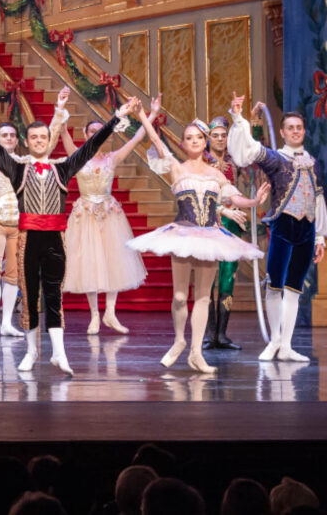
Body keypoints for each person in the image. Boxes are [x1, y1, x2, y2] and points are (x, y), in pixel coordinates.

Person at [0, 94, 136, 375]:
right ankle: (32, 351)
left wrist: (117, 117)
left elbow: (92, 145)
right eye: (33, 137)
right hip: (28, 240)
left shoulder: (63, 168)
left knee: (54, 297)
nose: (37, 141)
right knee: (31, 296)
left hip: (54, 240)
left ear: (49, 140)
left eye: (42, 137)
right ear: (28, 140)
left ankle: (59, 353)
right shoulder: (17, 169)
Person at [127, 106, 267, 372]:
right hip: (183, 234)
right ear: (183, 142)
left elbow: (232, 198)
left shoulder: (216, 174)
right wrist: (146, 115)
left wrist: (253, 201)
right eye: (189, 137)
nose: (194, 141)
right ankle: (179, 341)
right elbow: (156, 141)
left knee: (203, 297)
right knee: (180, 297)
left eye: (198, 138)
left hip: (211, 236)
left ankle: (195, 353)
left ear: (205, 143)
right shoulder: (176, 168)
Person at [0, 89, 69, 338]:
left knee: (13, 272)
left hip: (21, 224)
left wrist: (59, 110)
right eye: (4, 135)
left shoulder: (25, 162)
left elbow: (49, 141)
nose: (9, 138)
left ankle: (8, 322)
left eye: (12, 135)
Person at [228, 95, 326, 362]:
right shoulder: (275, 159)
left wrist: (320, 237)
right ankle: (274, 341)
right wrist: (238, 118)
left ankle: (286, 345)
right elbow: (247, 151)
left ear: (304, 131)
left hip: (305, 233)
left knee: (294, 288)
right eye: (291, 127)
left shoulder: (314, 162)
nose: (296, 131)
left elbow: (318, 200)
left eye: (299, 127)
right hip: (283, 229)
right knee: (274, 286)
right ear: (282, 132)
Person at [58, 95, 159, 334]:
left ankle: (110, 313)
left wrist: (151, 114)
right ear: (85, 134)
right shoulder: (78, 156)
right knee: (89, 265)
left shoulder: (113, 159)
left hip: (109, 213)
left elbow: (136, 138)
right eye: (91, 130)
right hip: (85, 215)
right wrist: (60, 109)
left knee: (114, 261)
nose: (95, 133)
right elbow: (63, 134)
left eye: (98, 130)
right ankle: (95, 316)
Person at [203, 116, 249, 350]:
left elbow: (251, 147)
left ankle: (222, 334)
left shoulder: (235, 162)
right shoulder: (201, 161)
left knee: (227, 278)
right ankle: (209, 334)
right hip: (209, 223)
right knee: (208, 279)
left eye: (223, 135)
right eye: (216, 135)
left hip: (231, 225)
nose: (220, 139)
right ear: (208, 138)